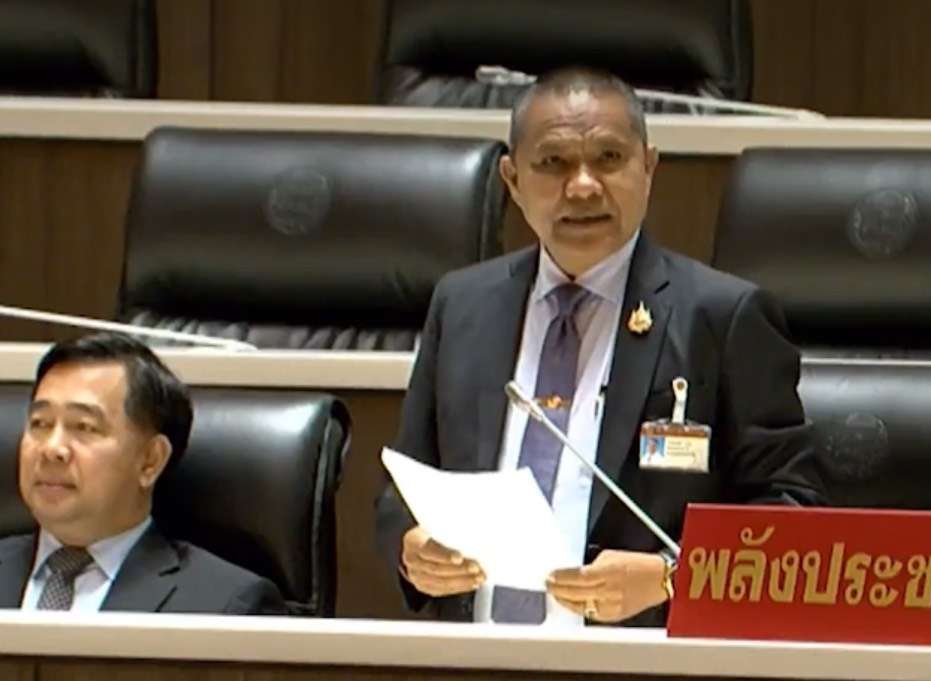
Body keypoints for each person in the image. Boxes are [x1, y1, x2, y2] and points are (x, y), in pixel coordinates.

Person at [375, 67, 826, 627]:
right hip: (472, 651)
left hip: (638, 656)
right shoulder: (463, 304)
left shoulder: (722, 317)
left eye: (609, 159)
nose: (584, 186)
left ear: (649, 167)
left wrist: (671, 577)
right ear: (512, 181)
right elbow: (405, 485)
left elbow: (792, 513)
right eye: (553, 163)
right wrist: (412, 546)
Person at [0, 332, 287, 614]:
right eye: (39, 423)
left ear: (150, 461)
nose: (51, 448)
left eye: (84, 427)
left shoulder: (228, 605)